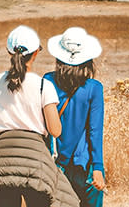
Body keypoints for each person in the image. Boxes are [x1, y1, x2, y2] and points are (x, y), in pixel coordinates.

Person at [0, 26, 78, 207]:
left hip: (2, 159)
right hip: (35, 159)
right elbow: (55, 130)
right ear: (36, 52)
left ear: (9, 51)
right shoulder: (43, 85)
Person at [45, 28, 106, 207]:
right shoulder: (94, 88)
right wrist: (98, 168)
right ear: (88, 60)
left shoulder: (47, 81)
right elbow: (95, 130)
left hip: (54, 162)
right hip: (84, 163)